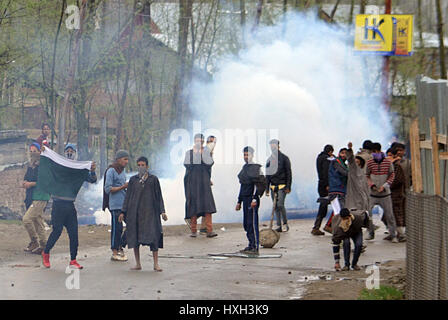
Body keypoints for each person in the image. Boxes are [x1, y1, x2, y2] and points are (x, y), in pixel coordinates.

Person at [42, 144, 97, 269]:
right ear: (64, 153)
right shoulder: (59, 167)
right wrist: (45, 153)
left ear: (75, 153)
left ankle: (73, 260)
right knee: (56, 231)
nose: (70, 153)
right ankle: (46, 253)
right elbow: (47, 167)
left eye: (72, 151)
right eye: (67, 151)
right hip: (58, 205)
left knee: (73, 233)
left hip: (70, 206)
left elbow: (92, 180)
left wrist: (92, 170)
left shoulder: (78, 170)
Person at [119, 157, 168, 272]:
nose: (141, 167)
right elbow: (128, 197)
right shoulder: (133, 180)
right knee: (135, 239)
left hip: (151, 214)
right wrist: (123, 211)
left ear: (147, 166)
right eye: (139, 165)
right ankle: (138, 264)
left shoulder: (153, 180)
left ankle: (156, 264)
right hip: (135, 214)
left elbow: (158, 196)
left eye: (143, 165)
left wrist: (162, 211)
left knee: (154, 238)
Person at [184, 133, 217, 238]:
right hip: (192, 182)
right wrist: (197, 154)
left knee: (207, 205)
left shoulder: (206, 152)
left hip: (204, 182)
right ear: (195, 141)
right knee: (193, 206)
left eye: (201, 140)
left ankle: (209, 230)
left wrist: (204, 153)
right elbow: (187, 164)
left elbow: (210, 164)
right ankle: (193, 231)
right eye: (197, 140)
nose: (199, 142)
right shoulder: (189, 153)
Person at [365, 142, 398, 242]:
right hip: (373, 194)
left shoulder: (388, 163)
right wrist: (372, 185)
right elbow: (367, 175)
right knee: (368, 214)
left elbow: (392, 175)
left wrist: (385, 186)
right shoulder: (370, 163)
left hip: (385, 194)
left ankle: (393, 235)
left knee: (390, 215)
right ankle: (371, 233)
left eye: (375, 152)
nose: (374, 154)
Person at [235, 146, 266, 255]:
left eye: (248, 155)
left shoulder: (256, 168)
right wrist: (239, 201)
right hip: (245, 198)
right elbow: (243, 186)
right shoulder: (244, 169)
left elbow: (259, 185)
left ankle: (255, 247)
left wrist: (254, 198)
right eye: (244, 155)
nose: (246, 157)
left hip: (252, 200)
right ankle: (250, 244)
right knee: (246, 224)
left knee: (252, 223)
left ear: (252, 155)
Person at [22, 143, 50, 254]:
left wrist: (31, 184)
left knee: (27, 219)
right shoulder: (31, 166)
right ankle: (44, 245)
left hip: (41, 196)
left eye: (35, 151)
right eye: (31, 151)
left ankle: (34, 241)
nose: (33, 153)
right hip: (32, 196)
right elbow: (26, 178)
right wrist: (24, 182)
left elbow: (44, 182)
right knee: (38, 221)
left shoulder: (43, 165)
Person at [104, 150, 130, 261]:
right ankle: (115, 252)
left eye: (127, 159)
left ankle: (121, 245)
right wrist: (123, 187)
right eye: (125, 159)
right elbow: (108, 189)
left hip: (124, 204)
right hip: (115, 205)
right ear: (118, 159)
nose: (126, 162)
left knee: (133, 224)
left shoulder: (123, 171)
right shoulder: (111, 171)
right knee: (117, 229)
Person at [265, 139, 292, 232]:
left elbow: (289, 173)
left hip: (282, 186)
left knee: (280, 204)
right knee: (275, 206)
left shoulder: (284, 158)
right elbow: (267, 175)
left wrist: (288, 186)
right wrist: (267, 188)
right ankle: (279, 225)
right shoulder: (269, 160)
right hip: (273, 186)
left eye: (274, 145)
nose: (272, 147)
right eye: (271, 145)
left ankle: (285, 224)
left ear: (278, 146)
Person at [323, 148, 349, 233]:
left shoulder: (342, 163)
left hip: (339, 189)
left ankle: (332, 228)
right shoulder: (336, 162)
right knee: (339, 212)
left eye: (346, 153)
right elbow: (344, 173)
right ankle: (337, 231)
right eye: (342, 153)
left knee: (338, 211)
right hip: (337, 189)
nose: (344, 155)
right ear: (339, 154)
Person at [312, 144, 334, 236]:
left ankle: (317, 227)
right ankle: (325, 226)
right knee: (334, 205)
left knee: (323, 205)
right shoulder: (326, 159)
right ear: (330, 152)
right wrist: (327, 184)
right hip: (326, 185)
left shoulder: (319, 157)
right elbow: (325, 172)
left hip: (321, 184)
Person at [199, 135, 217, 235]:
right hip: (201, 182)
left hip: (204, 180)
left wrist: (208, 179)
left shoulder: (208, 152)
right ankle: (207, 228)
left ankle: (203, 227)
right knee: (207, 204)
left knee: (204, 203)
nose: (212, 144)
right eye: (210, 142)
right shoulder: (205, 151)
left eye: (213, 142)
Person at [388, 148, 406, 242]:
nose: (388, 157)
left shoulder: (397, 166)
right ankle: (394, 233)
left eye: (390, 155)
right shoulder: (390, 166)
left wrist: (388, 185)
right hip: (390, 194)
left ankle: (401, 233)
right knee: (392, 214)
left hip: (397, 194)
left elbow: (398, 180)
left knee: (397, 213)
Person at [345, 142, 369, 212]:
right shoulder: (353, 171)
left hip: (363, 198)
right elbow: (351, 160)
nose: (355, 164)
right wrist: (350, 149)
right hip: (354, 198)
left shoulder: (363, 172)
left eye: (357, 162)